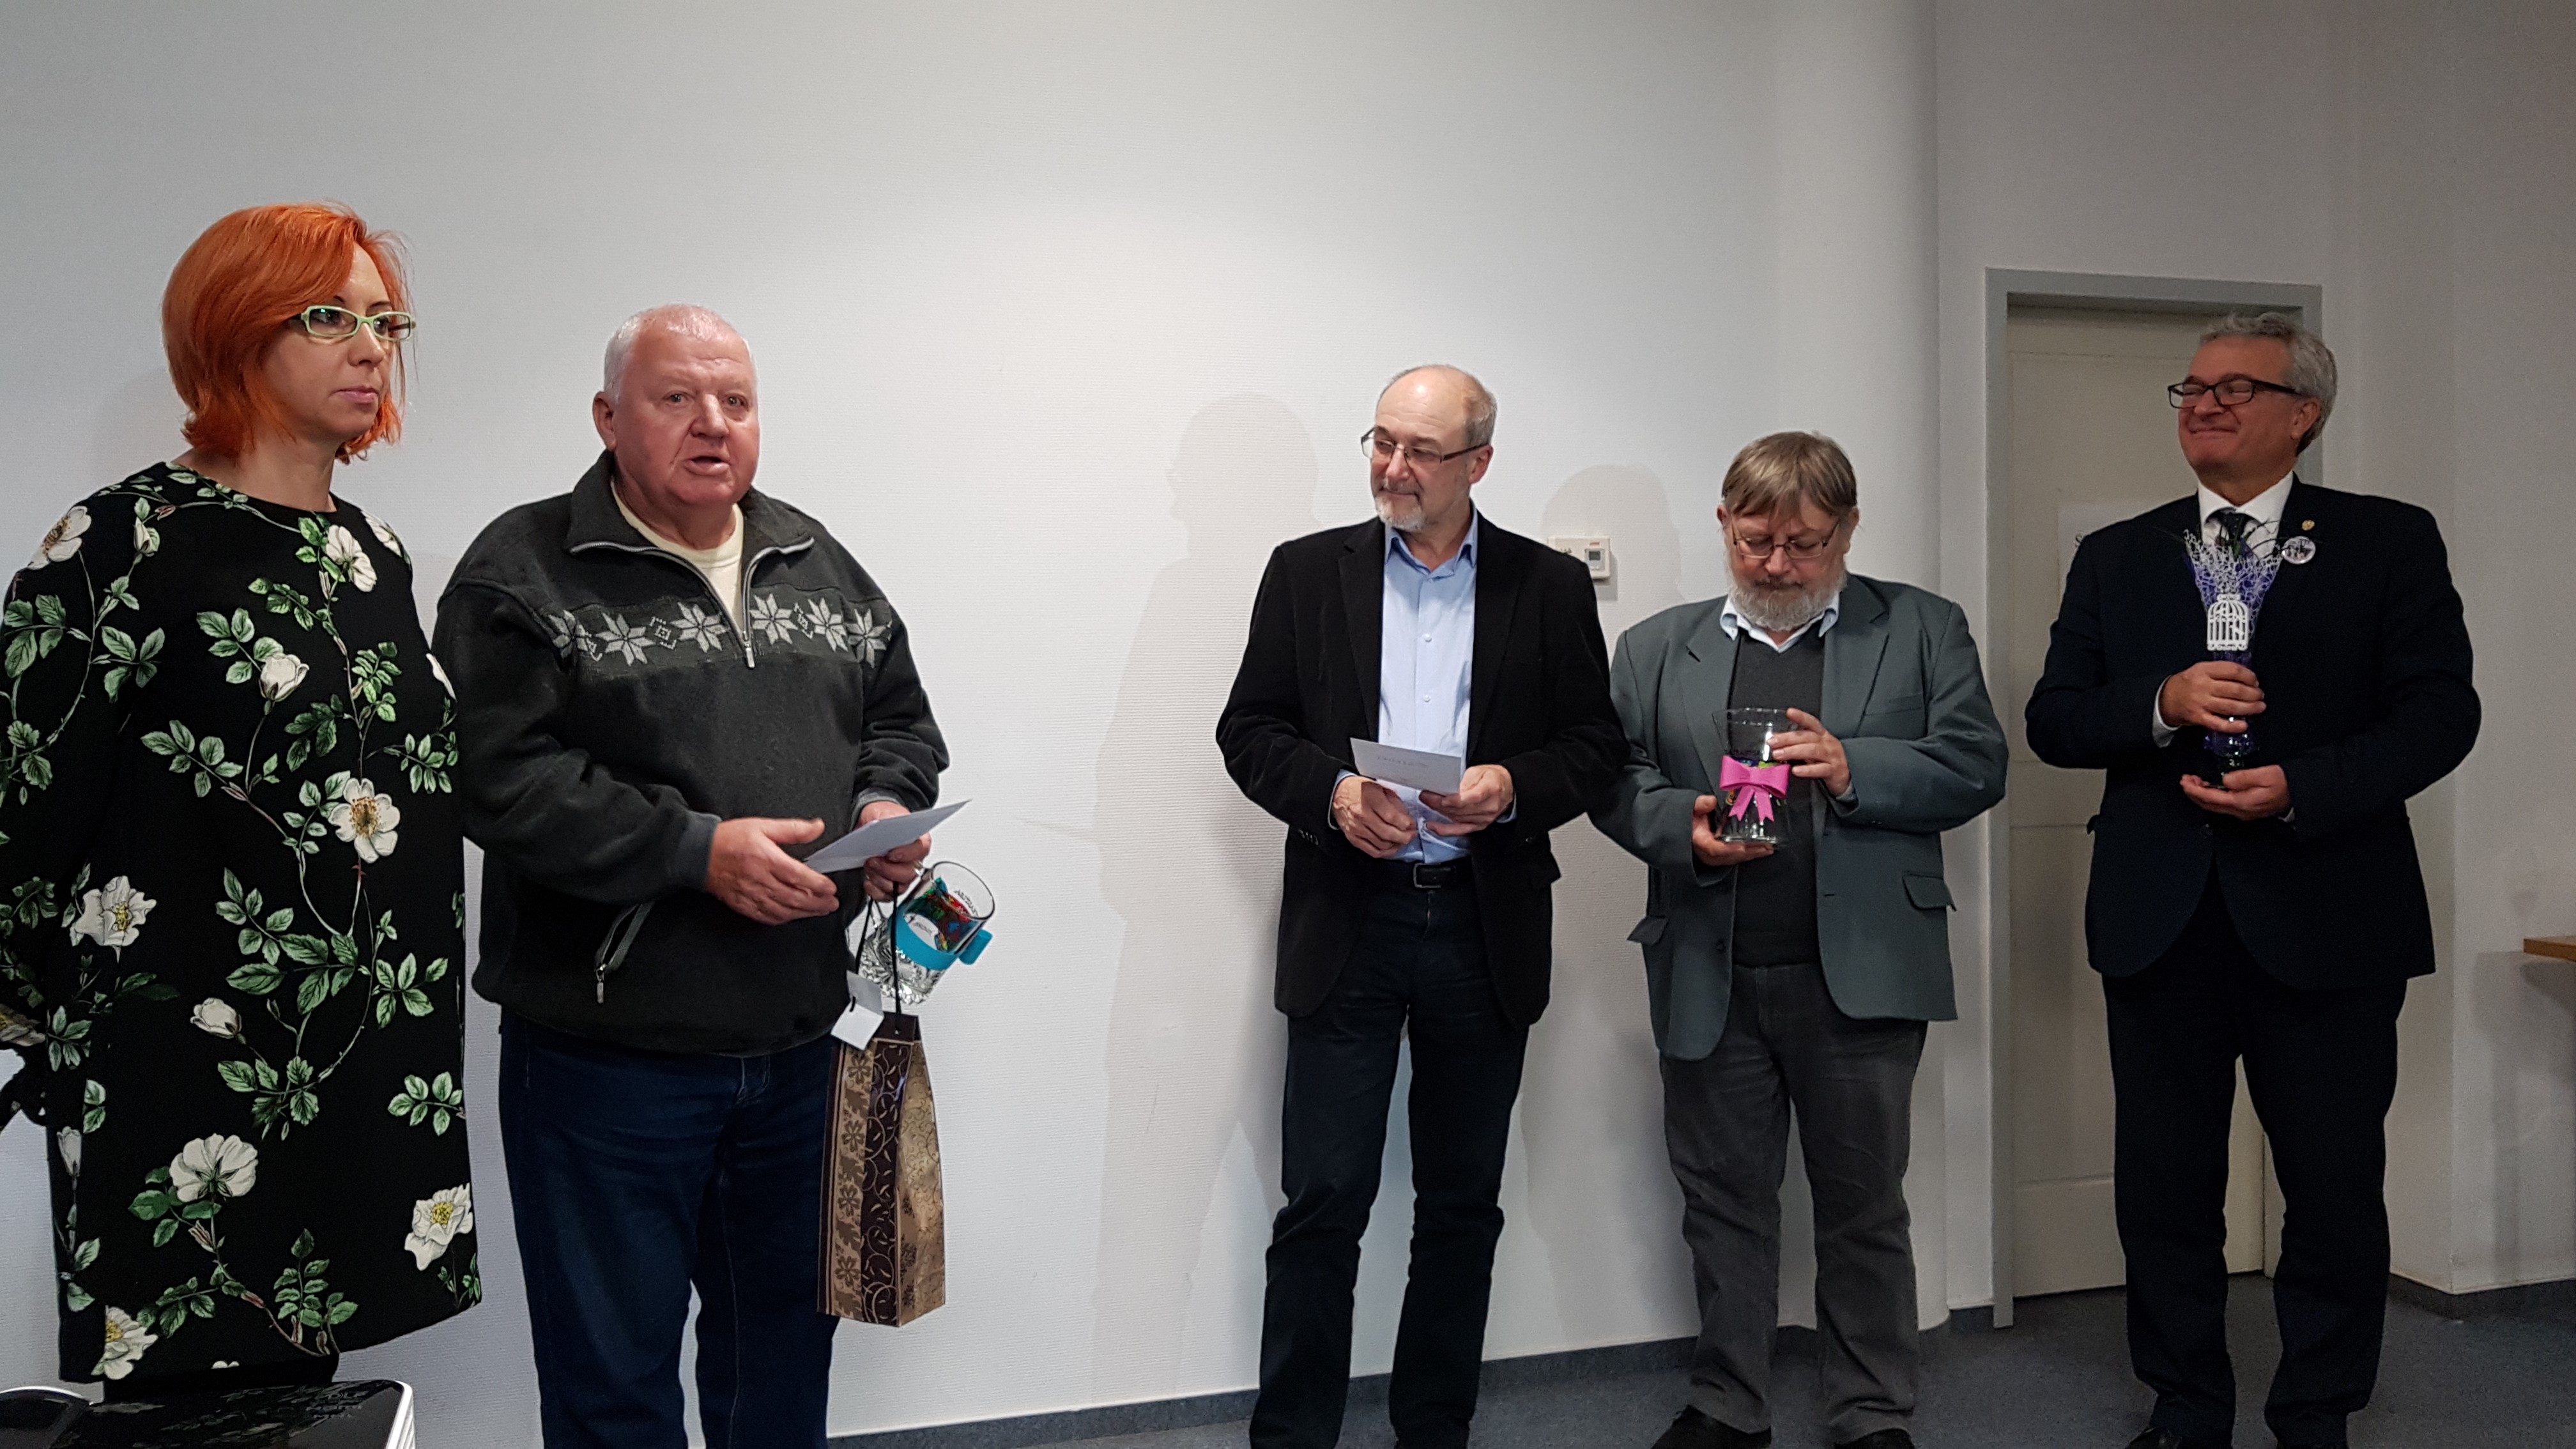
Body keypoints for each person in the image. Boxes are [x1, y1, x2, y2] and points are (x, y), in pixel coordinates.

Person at [434, 305, 947, 1449]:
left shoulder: (815, 557)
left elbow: (899, 720)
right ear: (608, 418)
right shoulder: (523, 570)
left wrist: (884, 802)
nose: (713, 424)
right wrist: (694, 852)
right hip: (607, 1064)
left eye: (737, 401)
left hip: (800, 1045)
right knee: (612, 1385)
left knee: (781, 1371)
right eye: (677, 399)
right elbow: (496, 779)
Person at [0, 203, 476, 1397]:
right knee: (189, 1404)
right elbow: (25, 798)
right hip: (179, 1077)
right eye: (326, 317)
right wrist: (40, 1019)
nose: (370, 348)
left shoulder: (373, 554)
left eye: (385, 322)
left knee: (302, 1395)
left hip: (351, 1063)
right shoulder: (122, 541)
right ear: (232, 332)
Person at [2025, 314, 2476, 1449]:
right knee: (2165, 1191)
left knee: (2332, 1188)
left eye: (2236, 388)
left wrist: (2305, 788)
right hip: (2161, 919)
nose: (2204, 404)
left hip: (2329, 912)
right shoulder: (2119, 555)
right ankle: (2186, 1406)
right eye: (2192, 388)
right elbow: (2055, 719)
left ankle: (2316, 1411)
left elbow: (2440, 714)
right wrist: (2160, 702)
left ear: (2303, 415)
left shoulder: (2387, 540)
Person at [1216, 365, 1625, 1449]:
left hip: (1482, 926)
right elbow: (1249, 732)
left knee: (1460, 1205)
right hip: (1349, 920)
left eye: (1422, 451)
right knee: (1323, 1201)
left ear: (1479, 463)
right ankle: (1293, 1435)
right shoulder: (1307, 572)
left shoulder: (1548, 586)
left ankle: (1434, 1427)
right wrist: (1336, 794)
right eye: (1382, 442)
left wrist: (1511, 786)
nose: (1393, 468)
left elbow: (1594, 748)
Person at [1592, 432, 2005, 1449]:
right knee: (1722, 1204)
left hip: (1863, 971)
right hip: (1710, 968)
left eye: (1805, 543)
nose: (1778, 564)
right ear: (1724, 525)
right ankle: (1727, 1405)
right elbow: (1614, 779)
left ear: (1849, 530)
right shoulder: (1652, 647)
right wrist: (1681, 827)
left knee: (1863, 1207)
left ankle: (1871, 1412)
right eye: (1756, 541)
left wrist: (1855, 765)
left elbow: (1976, 763)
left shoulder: (1923, 628)